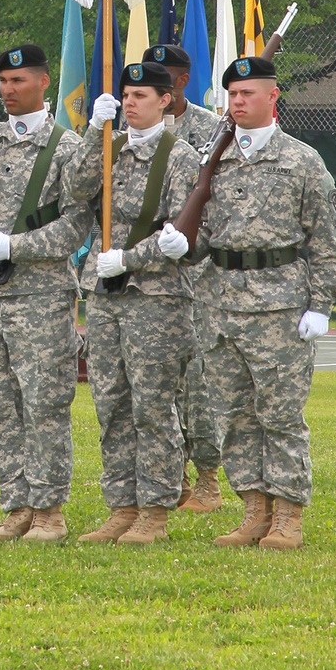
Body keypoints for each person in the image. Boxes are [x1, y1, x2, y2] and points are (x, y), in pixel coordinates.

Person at [192, 56, 336, 550]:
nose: (238, 103)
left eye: (247, 94)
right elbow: (200, 233)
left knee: (280, 415)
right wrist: (182, 243)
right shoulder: (211, 159)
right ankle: (253, 512)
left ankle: (288, 517)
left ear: (272, 97)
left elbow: (326, 240)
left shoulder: (302, 160)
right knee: (233, 413)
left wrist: (321, 304)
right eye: (232, 96)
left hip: (279, 307)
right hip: (220, 304)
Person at [0, 44, 92, 542]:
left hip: (42, 298)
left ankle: (49, 511)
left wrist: (17, 246)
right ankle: (17, 506)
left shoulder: (67, 147)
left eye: (18, 81)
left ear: (45, 82)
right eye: (2, 83)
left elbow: (76, 226)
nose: (8, 90)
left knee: (44, 404)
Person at [63, 62, 198, 545]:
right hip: (104, 296)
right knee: (112, 404)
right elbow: (74, 191)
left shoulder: (181, 158)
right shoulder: (109, 148)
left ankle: (156, 511)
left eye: (141, 94)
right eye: (126, 94)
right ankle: (122, 506)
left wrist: (129, 258)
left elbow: (181, 229)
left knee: (152, 406)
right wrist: (92, 135)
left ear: (166, 100)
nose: (130, 102)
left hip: (154, 298)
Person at [142, 43, 223, 514]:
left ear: (182, 82)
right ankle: (170, 479)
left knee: (197, 383)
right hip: (146, 277)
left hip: (196, 278)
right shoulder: (133, 131)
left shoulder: (211, 131)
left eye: (167, 79)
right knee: (156, 385)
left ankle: (208, 477)